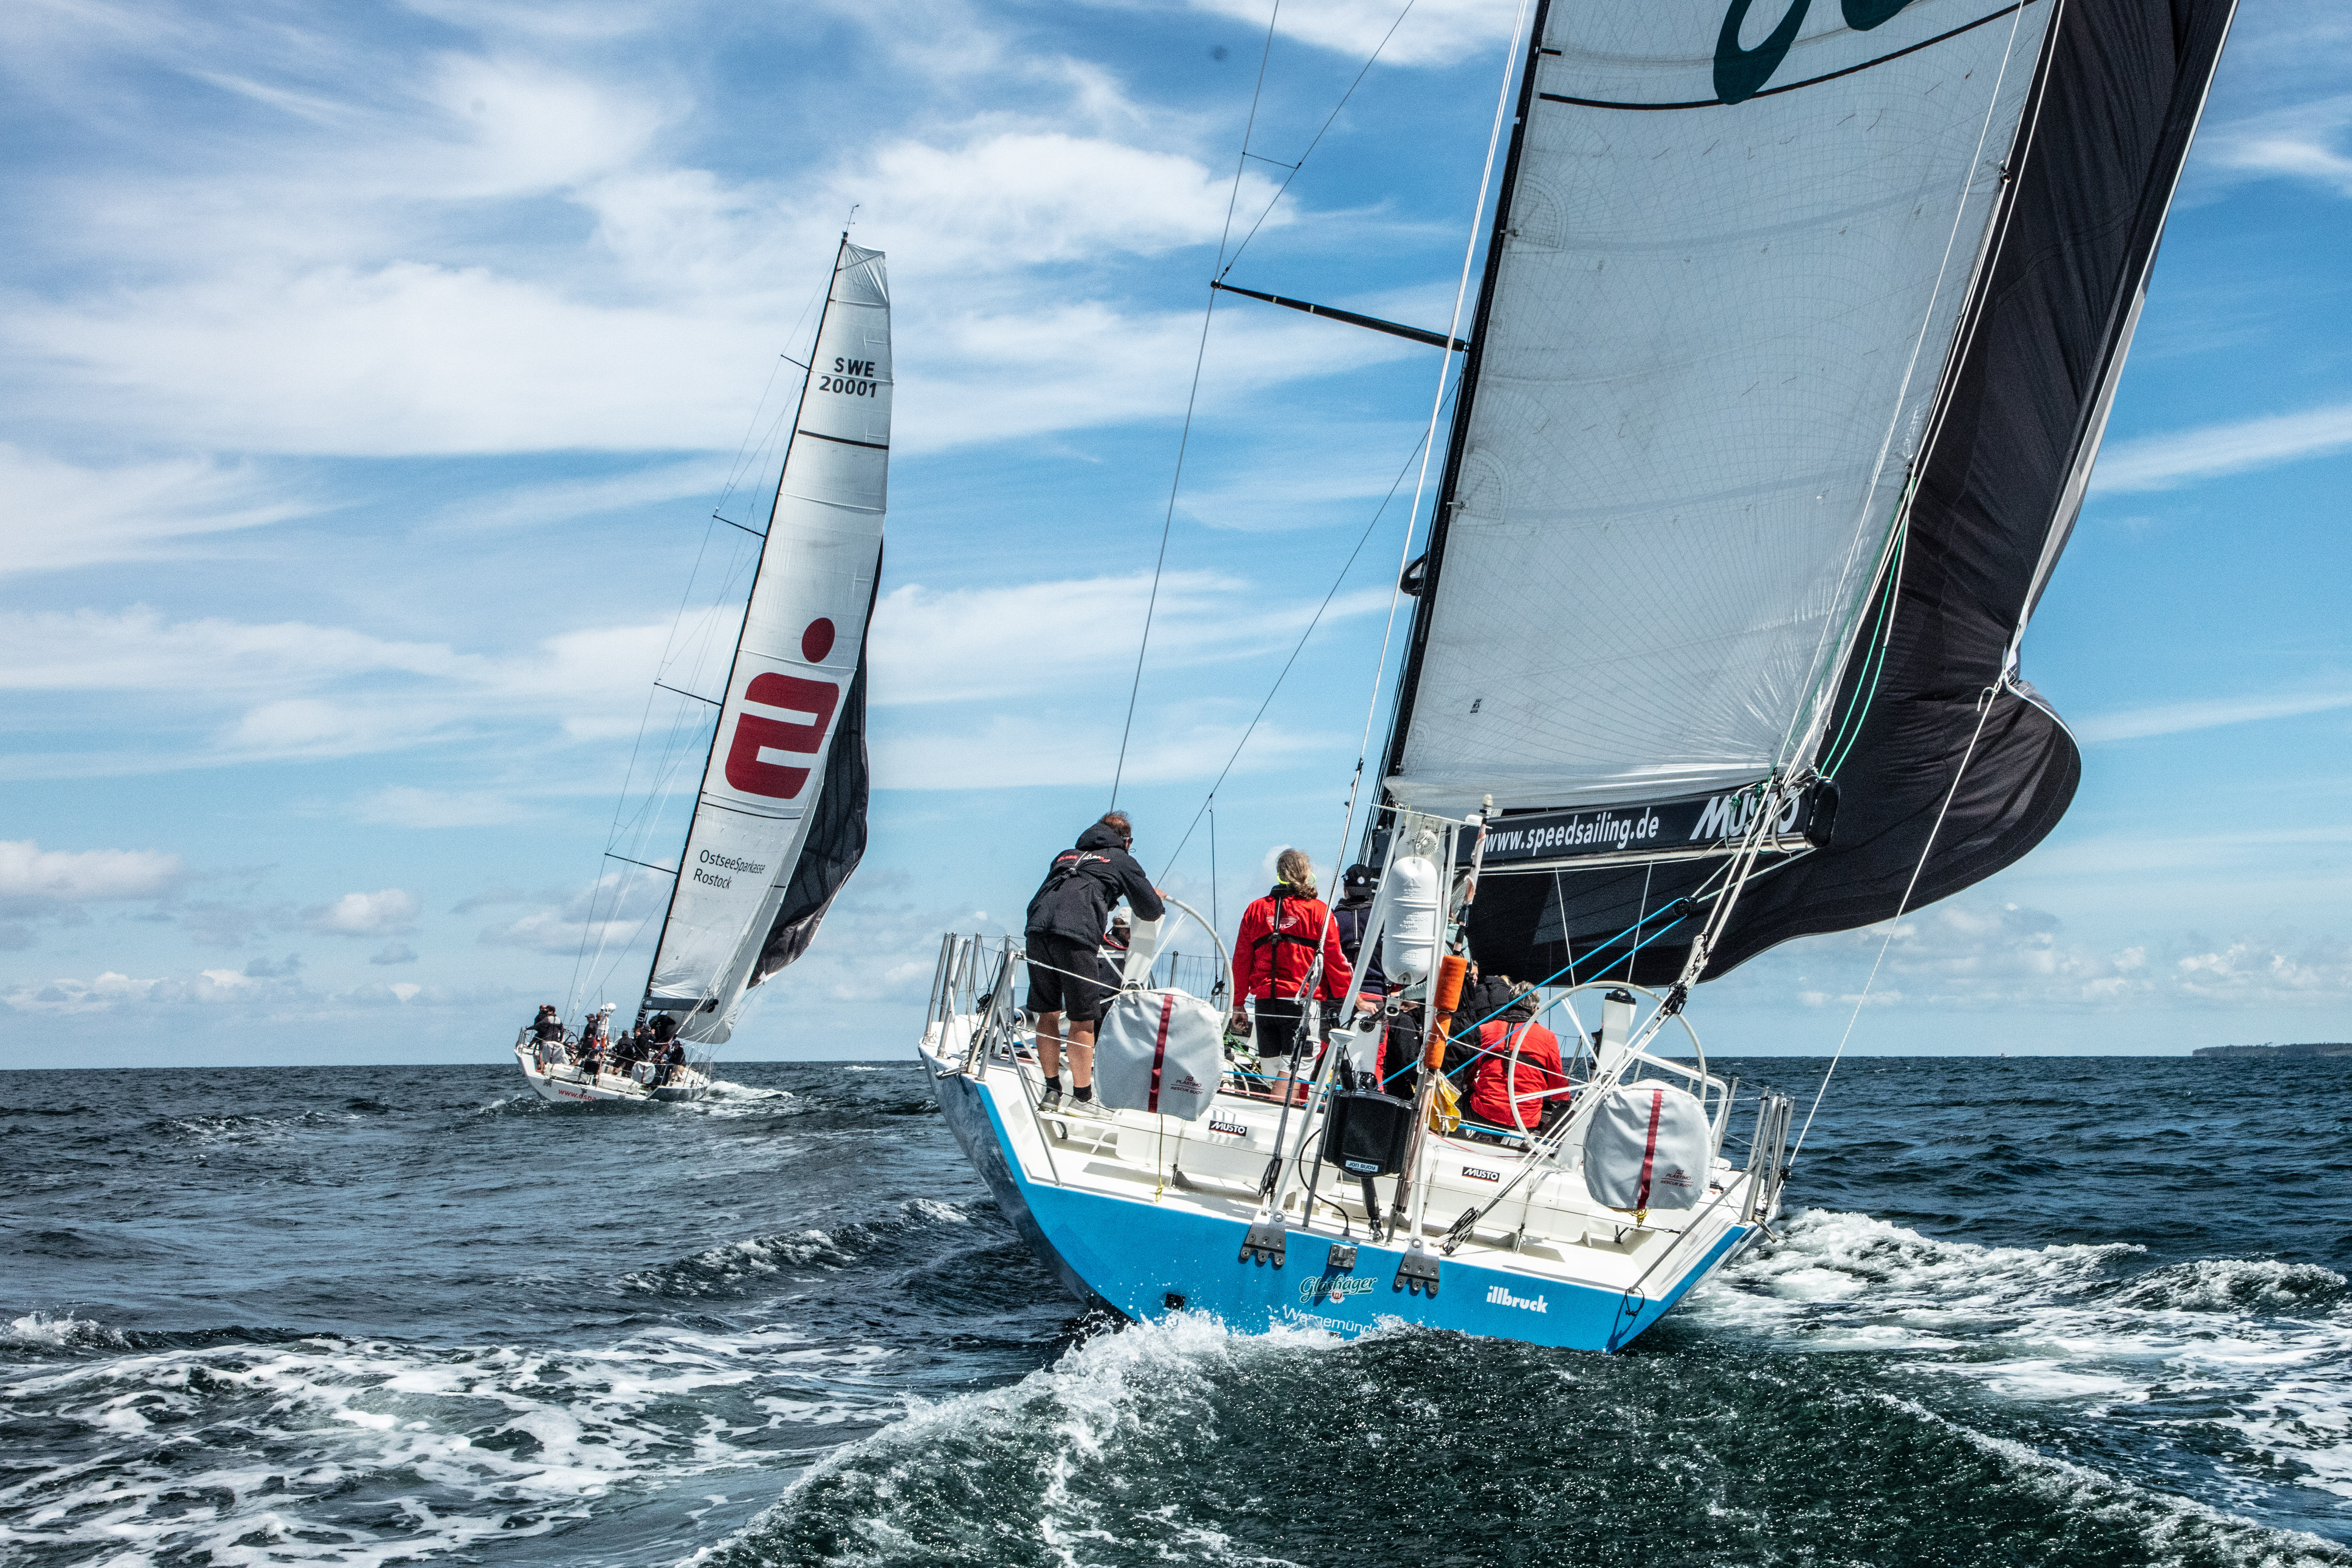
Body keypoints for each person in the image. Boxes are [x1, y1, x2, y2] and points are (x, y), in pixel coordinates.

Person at [1025, 812, 1166, 1109]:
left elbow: (1075, 890)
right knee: (1082, 1018)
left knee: (1048, 1013)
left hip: (1037, 932)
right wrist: (1153, 895)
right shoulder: (1123, 859)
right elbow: (1151, 911)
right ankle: (1083, 1096)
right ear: (1126, 841)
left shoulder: (1065, 856)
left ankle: (1051, 1091)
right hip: (1075, 937)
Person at [1231, 849, 1354, 1102]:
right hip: (1300, 1003)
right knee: (1297, 1068)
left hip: (1265, 1005)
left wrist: (1237, 1003)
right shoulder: (1319, 912)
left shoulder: (1254, 910)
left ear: (1279, 874)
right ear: (1308, 874)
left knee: (1274, 1072)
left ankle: (1274, 1121)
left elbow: (1241, 960)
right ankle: (1276, 1123)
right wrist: (1351, 996)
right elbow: (1335, 961)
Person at [1464, 983, 1567, 1137]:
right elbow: (1558, 1085)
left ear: (1510, 1003)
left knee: (1462, 1095)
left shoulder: (1486, 1030)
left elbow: (1468, 1076)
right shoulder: (1547, 1037)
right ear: (1535, 1009)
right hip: (1524, 1122)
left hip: (1483, 1115)